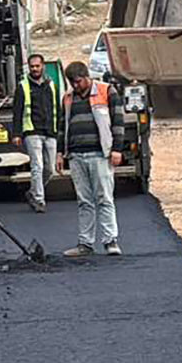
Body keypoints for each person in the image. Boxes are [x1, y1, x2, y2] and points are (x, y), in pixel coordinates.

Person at [58, 62, 126, 257]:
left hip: (99, 154)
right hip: (76, 156)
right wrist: (60, 153)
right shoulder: (68, 98)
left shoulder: (107, 91)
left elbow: (118, 121)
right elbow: (63, 125)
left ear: (86, 77)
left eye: (78, 81)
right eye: (72, 82)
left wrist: (117, 149)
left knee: (104, 198)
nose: (75, 86)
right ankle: (85, 243)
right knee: (84, 201)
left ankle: (110, 241)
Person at [12, 54, 61, 213]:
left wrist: (58, 130)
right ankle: (39, 200)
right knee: (37, 166)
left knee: (50, 169)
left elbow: (57, 109)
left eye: (37, 66)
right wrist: (17, 133)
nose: (34, 69)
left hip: (50, 131)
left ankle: (32, 192)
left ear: (43, 66)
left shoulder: (51, 85)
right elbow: (17, 112)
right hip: (32, 131)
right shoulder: (23, 86)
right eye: (32, 66)